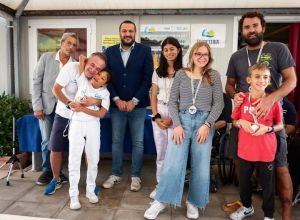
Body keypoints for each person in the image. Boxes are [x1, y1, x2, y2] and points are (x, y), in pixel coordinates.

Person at [225, 11, 297, 220]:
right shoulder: (237, 56)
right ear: (242, 31)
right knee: (241, 164)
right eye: (247, 27)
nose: (251, 30)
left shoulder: (278, 49)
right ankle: (247, 204)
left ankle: (285, 214)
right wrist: (236, 95)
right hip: (244, 120)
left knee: (281, 169)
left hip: (271, 121)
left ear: (262, 28)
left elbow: (291, 81)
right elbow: (230, 85)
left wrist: (270, 99)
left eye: (255, 26)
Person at [144, 41, 224, 220]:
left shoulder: (214, 76)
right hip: (183, 121)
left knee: (201, 166)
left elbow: (219, 103)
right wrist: (178, 125)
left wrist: (207, 125)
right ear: (192, 56)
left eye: (205, 54)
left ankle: (193, 202)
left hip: (204, 123)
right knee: (173, 163)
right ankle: (161, 201)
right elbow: (173, 102)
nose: (202, 57)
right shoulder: (181, 74)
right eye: (198, 54)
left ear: (209, 57)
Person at [44, 52, 107, 195]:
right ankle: (56, 179)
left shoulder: (96, 77)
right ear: (87, 61)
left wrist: (96, 101)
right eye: (92, 65)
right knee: (56, 147)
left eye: (98, 69)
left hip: (85, 118)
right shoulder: (71, 68)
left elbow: (102, 96)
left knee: (88, 151)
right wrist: (68, 103)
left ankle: (90, 183)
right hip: (64, 114)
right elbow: (56, 89)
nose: (94, 70)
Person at [101, 20, 153, 192]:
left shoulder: (145, 51)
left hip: (138, 106)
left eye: (131, 31)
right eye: (124, 31)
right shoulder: (109, 51)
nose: (127, 34)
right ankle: (116, 173)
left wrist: (134, 101)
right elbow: (106, 78)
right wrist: (116, 99)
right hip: (117, 106)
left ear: (135, 33)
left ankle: (135, 176)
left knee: (138, 142)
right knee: (116, 141)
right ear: (120, 33)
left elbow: (148, 78)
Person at [229, 63, 283, 220]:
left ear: (270, 80)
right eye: (257, 76)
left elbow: (280, 125)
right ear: (249, 79)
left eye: (265, 77)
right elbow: (234, 121)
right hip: (245, 150)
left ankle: (269, 215)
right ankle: (247, 207)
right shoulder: (242, 99)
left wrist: (266, 129)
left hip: (266, 151)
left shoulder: (273, 101)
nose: (262, 80)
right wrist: (241, 123)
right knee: (244, 183)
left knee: (267, 186)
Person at [32, 33, 77, 185]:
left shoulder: (75, 64)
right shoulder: (46, 58)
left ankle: (59, 171)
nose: (71, 47)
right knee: (46, 140)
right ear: (62, 43)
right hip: (47, 107)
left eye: (74, 45)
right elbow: (36, 82)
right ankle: (47, 171)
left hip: (66, 110)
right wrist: (37, 106)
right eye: (68, 43)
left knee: (61, 142)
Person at [68, 69, 110, 210]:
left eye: (102, 77)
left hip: (93, 125)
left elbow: (101, 114)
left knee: (93, 159)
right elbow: (82, 59)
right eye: (98, 73)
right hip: (77, 124)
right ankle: (73, 195)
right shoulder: (83, 81)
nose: (98, 77)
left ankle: (90, 190)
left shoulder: (105, 94)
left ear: (105, 83)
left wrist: (84, 108)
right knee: (74, 159)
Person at [149, 36, 182, 199]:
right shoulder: (157, 72)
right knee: (161, 152)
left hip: (177, 112)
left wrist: (174, 119)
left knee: (175, 153)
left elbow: (186, 98)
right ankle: (160, 185)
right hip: (160, 110)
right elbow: (153, 95)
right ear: (162, 52)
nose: (169, 52)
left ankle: (173, 186)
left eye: (172, 49)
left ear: (179, 50)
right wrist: (156, 117)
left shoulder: (185, 71)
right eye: (166, 49)